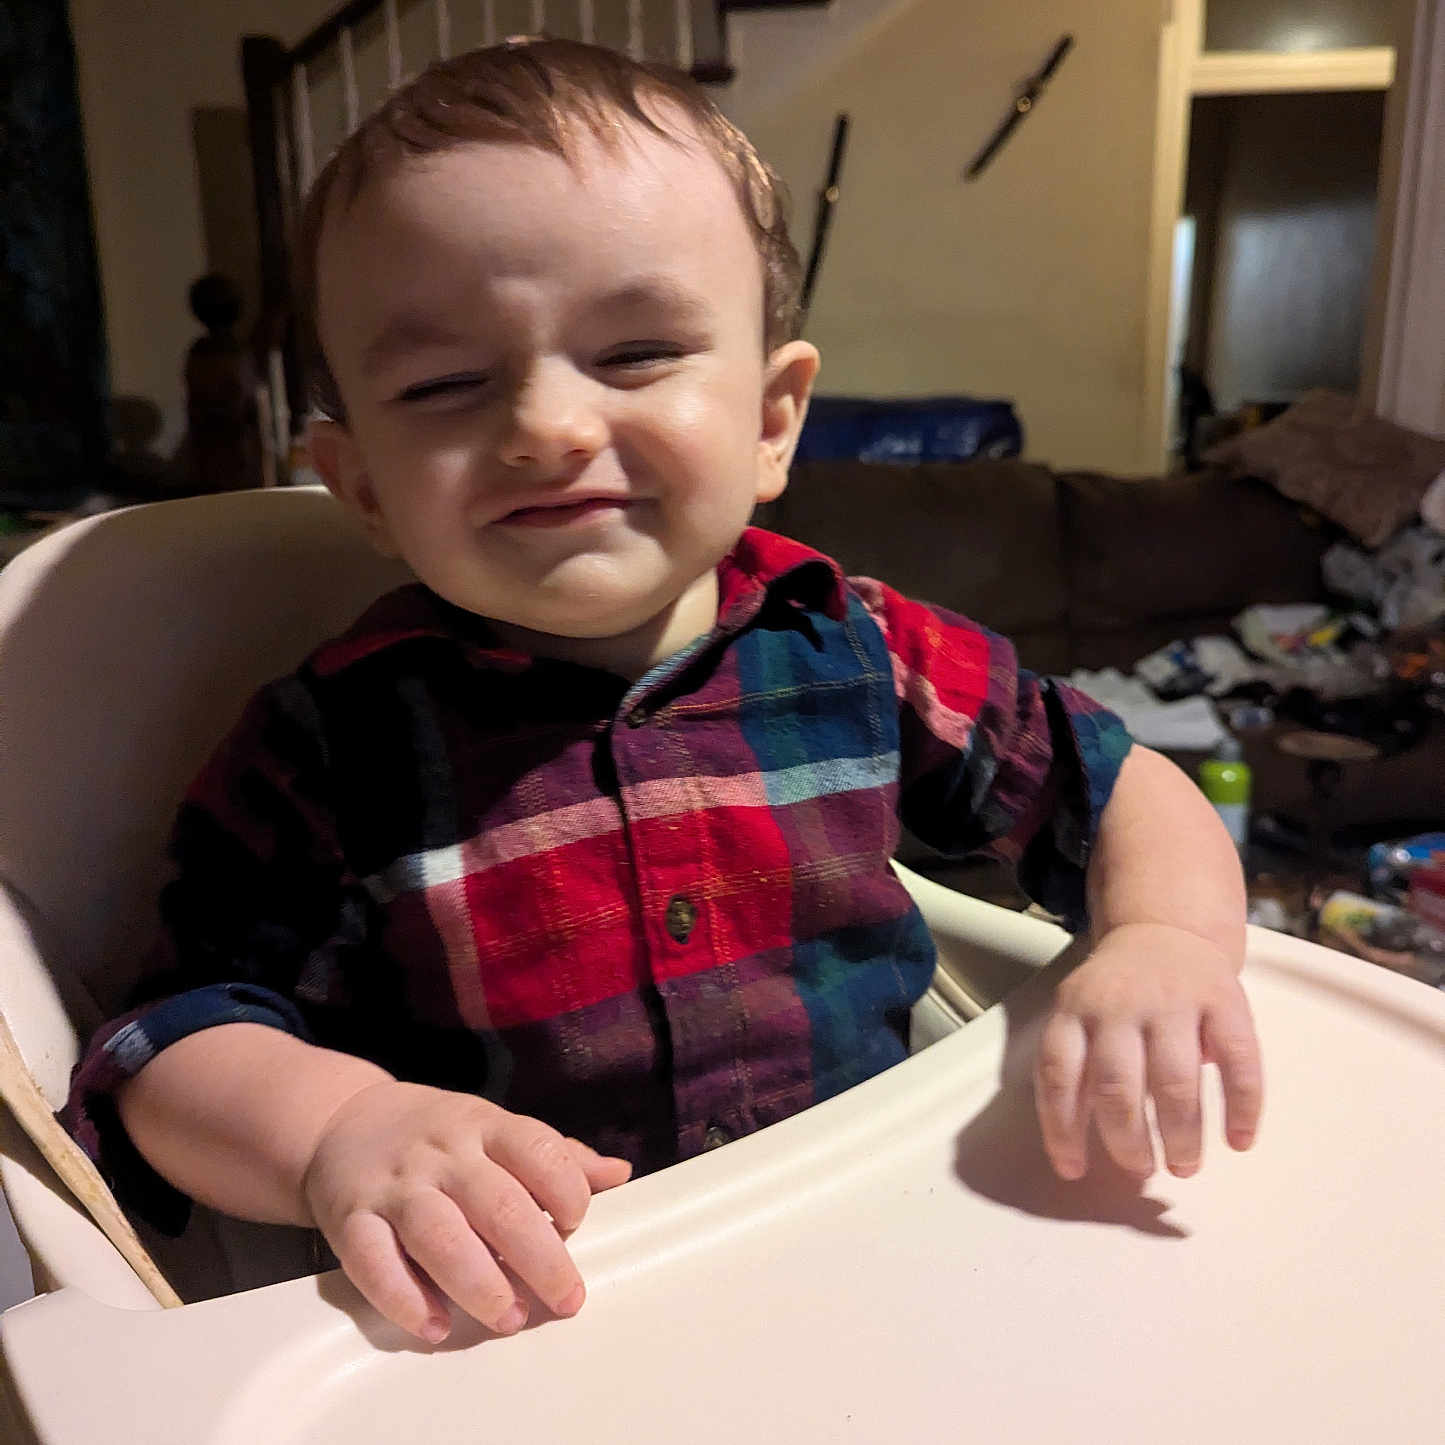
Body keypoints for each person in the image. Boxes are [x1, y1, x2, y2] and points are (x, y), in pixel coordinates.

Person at [63, 39, 1261, 1347]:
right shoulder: (327, 743)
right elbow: (166, 1041)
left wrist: (1163, 943)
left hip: (888, 1239)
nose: (545, 424)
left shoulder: (860, 648)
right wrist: (339, 1129)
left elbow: (1116, 784)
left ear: (769, 419)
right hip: (542, 1314)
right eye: (447, 383)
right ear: (358, 484)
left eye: (631, 350)